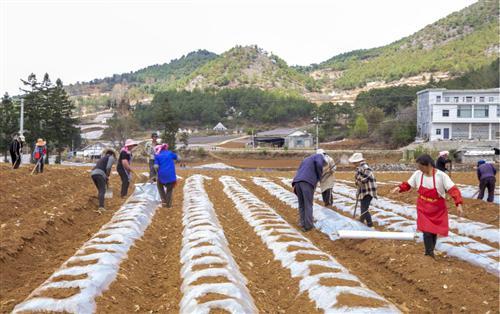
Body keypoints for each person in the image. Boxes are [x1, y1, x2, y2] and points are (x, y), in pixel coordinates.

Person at [391, 154, 463, 258]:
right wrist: (399, 188)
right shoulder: (418, 174)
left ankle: (430, 251)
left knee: (433, 231)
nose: (419, 169)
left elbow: (453, 190)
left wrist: (458, 203)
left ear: (428, 165)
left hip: (438, 208)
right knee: (427, 231)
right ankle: (428, 253)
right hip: (423, 206)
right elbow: (408, 184)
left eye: (421, 167)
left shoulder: (441, 176)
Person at [292, 150, 327, 231]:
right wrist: (319, 176)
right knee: (308, 204)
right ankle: (308, 226)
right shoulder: (319, 156)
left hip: (297, 182)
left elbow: (300, 170)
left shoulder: (306, 159)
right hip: (306, 182)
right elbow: (319, 164)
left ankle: (302, 223)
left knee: (302, 204)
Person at [349, 152, 376, 227]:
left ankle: (365, 223)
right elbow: (359, 181)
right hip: (363, 191)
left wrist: (358, 180)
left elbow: (366, 179)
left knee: (364, 209)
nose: (353, 164)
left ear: (358, 161)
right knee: (363, 208)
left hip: (368, 191)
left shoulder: (365, 167)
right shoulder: (359, 168)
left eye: (354, 162)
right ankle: (368, 224)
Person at [90, 149, 116, 213]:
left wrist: (105, 177)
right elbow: (108, 167)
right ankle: (101, 207)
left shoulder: (102, 158)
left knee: (100, 190)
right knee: (102, 190)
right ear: (112, 154)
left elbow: (94, 168)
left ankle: (100, 204)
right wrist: (107, 176)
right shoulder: (111, 157)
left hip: (93, 174)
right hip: (100, 174)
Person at [154, 143, 178, 207]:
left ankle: (163, 199)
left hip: (161, 175)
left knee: (159, 185)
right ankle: (168, 204)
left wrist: (156, 173)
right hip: (171, 175)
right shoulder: (169, 153)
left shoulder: (157, 155)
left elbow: (156, 166)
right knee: (169, 189)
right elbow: (176, 157)